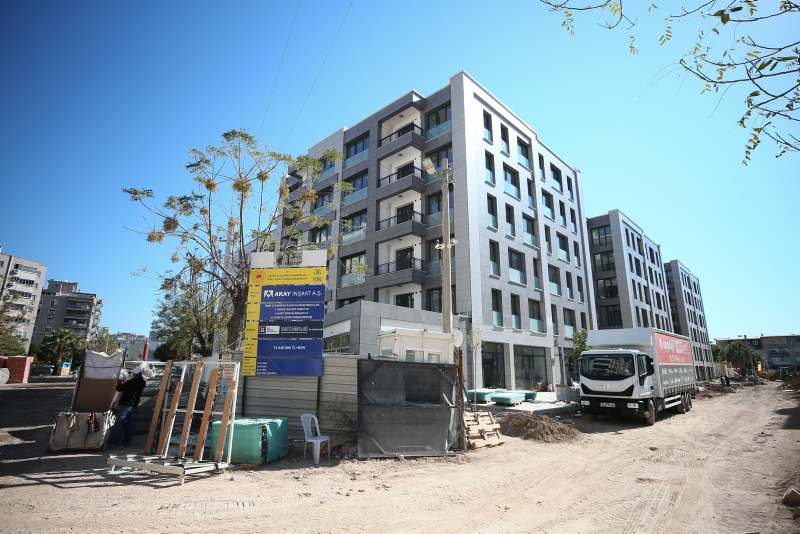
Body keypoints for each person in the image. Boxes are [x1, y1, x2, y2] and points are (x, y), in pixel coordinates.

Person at [112, 367, 146, 449]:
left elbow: (119, 388)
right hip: (134, 406)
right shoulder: (143, 382)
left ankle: (119, 443)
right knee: (130, 425)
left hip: (125, 405)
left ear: (134, 374)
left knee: (119, 424)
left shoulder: (130, 382)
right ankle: (127, 442)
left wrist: (120, 382)